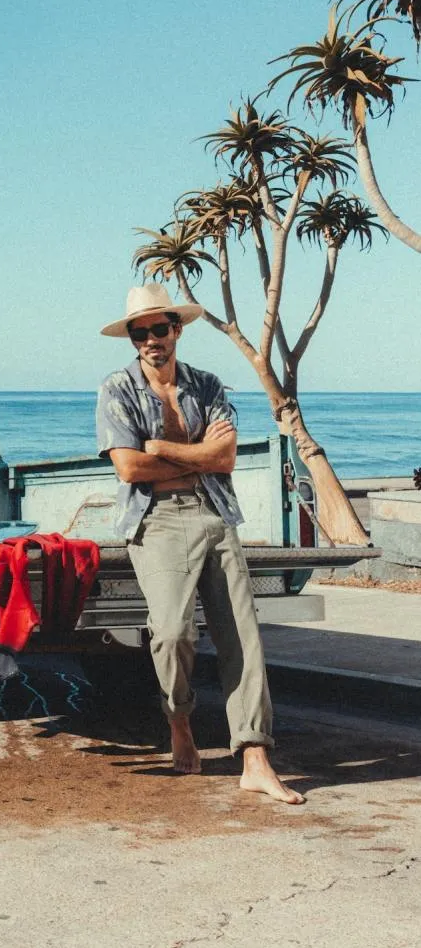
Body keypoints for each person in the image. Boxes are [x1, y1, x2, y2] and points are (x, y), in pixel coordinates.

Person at [96, 283, 304, 805]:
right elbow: (128, 467)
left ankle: (255, 756)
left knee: (242, 637)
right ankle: (180, 721)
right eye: (139, 333)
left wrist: (163, 447)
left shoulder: (208, 385)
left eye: (158, 329)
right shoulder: (116, 388)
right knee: (170, 633)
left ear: (177, 329)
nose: (150, 340)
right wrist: (196, 451)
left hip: (213, 512)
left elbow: (225, 458)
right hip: (157, 520)